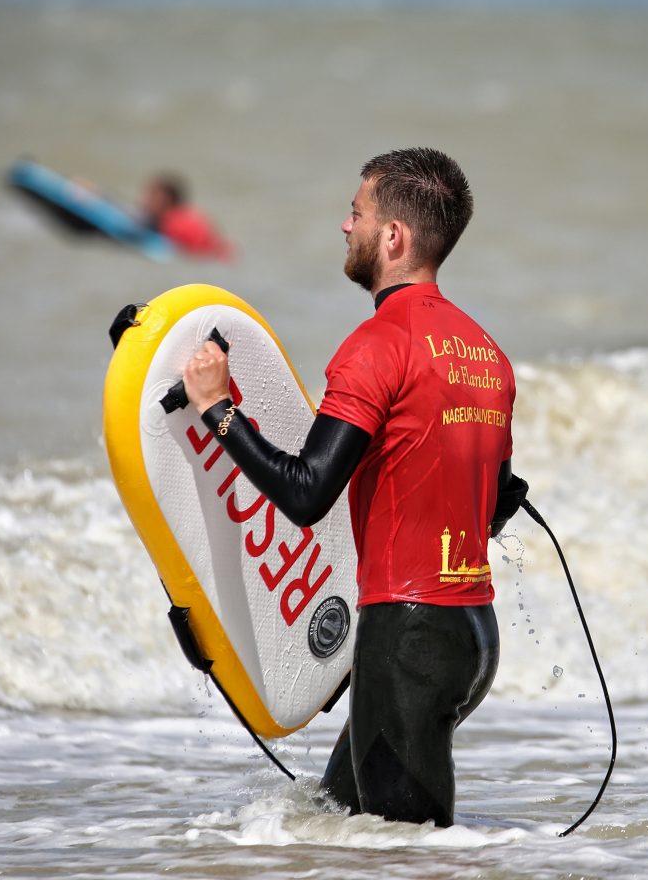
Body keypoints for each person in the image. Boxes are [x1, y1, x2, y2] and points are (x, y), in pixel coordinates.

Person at [182, 147, 528, 827]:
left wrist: (217, 408)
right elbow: (491, 507)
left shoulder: (377, 345)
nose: (345, 227)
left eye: (356, 212)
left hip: (408, 638)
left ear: (392, 237)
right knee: (331, 822)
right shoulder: (486, 354)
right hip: (468, 637)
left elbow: (306, 491)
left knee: (408, 860)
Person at [139, 173, 234, 260]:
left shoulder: (173, 223)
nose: (145, 201)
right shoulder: (189, 212)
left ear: (167, 200)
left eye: (152, 197)